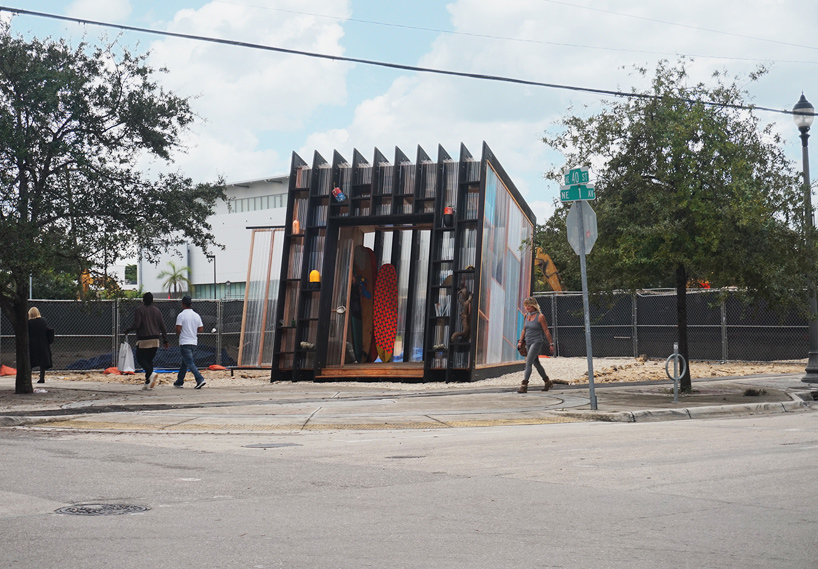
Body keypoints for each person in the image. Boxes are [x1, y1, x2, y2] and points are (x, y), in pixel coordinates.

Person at [122, 292, 169, 390]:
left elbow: (137, 325)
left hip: (144, 339)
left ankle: (150, 373)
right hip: (156, 340)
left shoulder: (139, 310)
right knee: (149, 360)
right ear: (152, 300)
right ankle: (148, 381)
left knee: (140, 359)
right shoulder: (157, 311)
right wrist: (165, 340)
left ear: (143, 300)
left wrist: (128, 330)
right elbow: (162, 326)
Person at [516, 297, 554, 393]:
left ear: (534, 306)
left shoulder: (540, 316)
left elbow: (546, 330)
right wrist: (520, 341)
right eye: (526, 306)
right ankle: (547, 381)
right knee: (536, 363)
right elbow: (524, 329)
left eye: (529, 305)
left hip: (537, 341)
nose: (527, 307)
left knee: (528, 362)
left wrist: (551, 343)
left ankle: (524, 385)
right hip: (528, 341)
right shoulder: (526, 316)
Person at [174, 295, 206, 389]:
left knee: (189, 362)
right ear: (191, 304)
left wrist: (180, 333)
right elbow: (200, 329)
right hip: (193, 341)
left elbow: (178, 328)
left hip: (185, 341)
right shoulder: (196, 315)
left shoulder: (181, 315)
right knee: (185, 362)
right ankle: (179, 381)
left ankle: (199, 379)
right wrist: (193, 330)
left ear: (183, 304)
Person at [28, 307, 53, 383]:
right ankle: (42, 378)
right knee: (42, 362)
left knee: (30, 361)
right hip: (43, 343)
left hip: (32, 344)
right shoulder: (43, 321)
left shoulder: (29, 322)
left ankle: (28, 378)